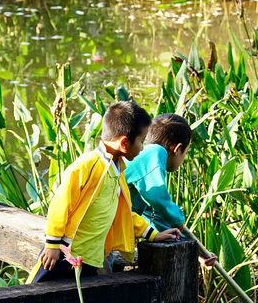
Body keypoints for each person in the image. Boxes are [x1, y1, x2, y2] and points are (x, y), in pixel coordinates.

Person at [27, 100, 180, 285]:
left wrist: (153, 234)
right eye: (141, 140)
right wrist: (52, 245)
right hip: (64, 253)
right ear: (124, 142)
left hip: (91, 260)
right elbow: (60, 204)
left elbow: (121, 214)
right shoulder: (87, 166)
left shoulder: (118, 172)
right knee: (33, 298)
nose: (143, 147)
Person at [125, 112, 216, 265]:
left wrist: (198, 252)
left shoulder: (147, 161)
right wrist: (177, 218)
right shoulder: (154, 152)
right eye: (185, 153)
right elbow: (157, 198)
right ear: (177, 149)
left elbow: (156, 218)